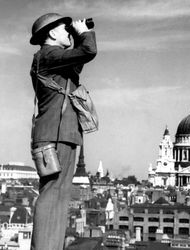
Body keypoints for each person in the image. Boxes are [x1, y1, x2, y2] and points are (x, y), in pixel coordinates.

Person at [29, 13, 97, 250]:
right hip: (55, 136)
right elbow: (88, 52)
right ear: (52, 33)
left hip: (61, 134)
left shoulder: (52, 58)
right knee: (52, 195)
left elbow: (76, 63)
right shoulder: (48, 55)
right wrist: (84, 33)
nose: (69, 31)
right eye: (64, 28)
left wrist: (77, 37)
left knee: (59, 196)